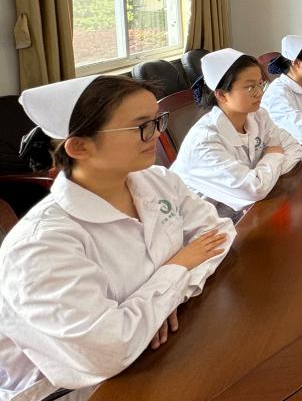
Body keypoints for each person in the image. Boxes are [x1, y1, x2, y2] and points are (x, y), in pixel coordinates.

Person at [0, 75, 234, 400]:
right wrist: (177, 267)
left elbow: (218, 234)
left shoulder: (157, 181)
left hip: (161, 350)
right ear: (79, 147)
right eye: (142, 126)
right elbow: (109, 350)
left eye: (157, 121)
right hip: (79, 391)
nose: (157, 134)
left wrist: (161, 304)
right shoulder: (41, 245)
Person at [171, 49, 302, 215]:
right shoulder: (205, 141)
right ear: (221, 94)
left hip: (244, 212)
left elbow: (294, 147)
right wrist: (273, 155)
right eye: (250, 87)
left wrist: (263, 177)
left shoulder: (258, 115)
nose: (260, 92)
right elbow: (253, 190)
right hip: (199, 224)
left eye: (260, 84)